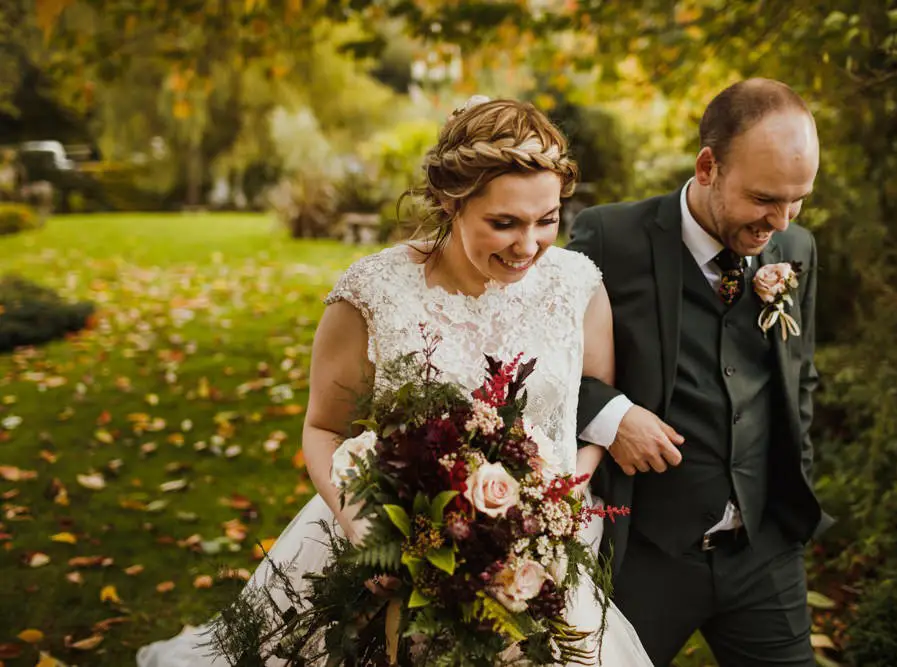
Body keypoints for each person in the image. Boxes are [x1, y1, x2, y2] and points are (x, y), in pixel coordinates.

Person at [136, 97, 653, 666]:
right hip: (387, 554)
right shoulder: (376, 292)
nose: (528, 246)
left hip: (539, 561)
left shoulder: (577, 284)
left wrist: (549, 509)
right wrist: (367, 534)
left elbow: (589, 415)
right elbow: (323, 429)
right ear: (450, 202)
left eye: (547, 219)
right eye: (503, 223)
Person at [568, 78, 834, 666]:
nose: (782, 221)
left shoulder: (798, 249)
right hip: (644, 554)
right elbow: (545, 371)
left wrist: (791, 492)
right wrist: (612, 417)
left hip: (764, 554)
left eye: (798, 200)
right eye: (765, 198)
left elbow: (800, 381)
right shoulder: (610, 238)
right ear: (708, 166)